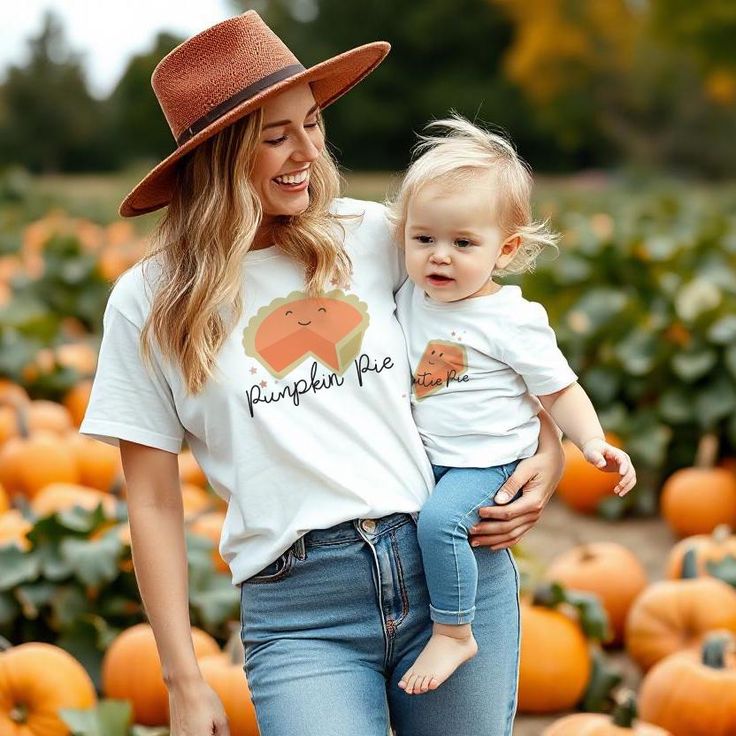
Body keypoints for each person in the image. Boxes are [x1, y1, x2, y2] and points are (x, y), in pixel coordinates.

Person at [80, 12, 570, 736]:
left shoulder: (372, 235)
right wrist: (182, 679)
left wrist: (548, 447)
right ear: (217, 154)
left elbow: (488, 336)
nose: (308, 151)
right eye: (276, 136)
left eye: (311, 123)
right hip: (300, 610)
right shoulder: (152, 302)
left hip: (443, 571)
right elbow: (151, 505)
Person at [389, 115, 637, 696]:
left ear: (507, 249)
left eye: (463, 243)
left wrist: (591, 441)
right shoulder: (411, 296)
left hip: (488, 459)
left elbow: (558, 389)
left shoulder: (510, 319)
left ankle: (455, 632)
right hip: (435, 455)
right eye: (423, 239)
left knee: (442, 522)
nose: (439, 258)